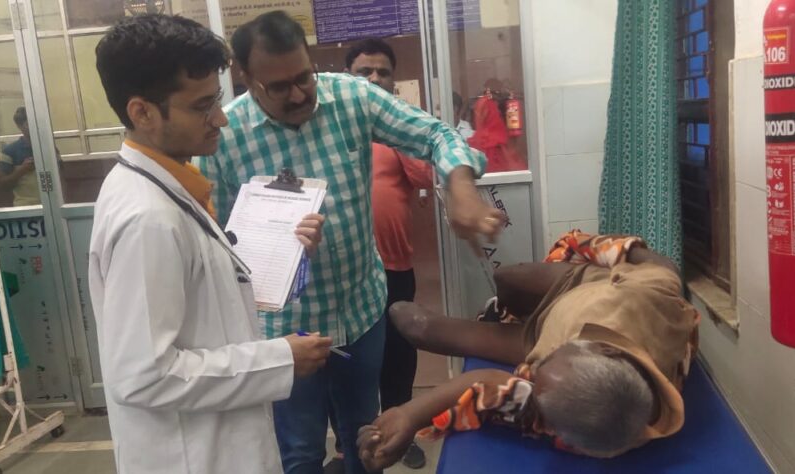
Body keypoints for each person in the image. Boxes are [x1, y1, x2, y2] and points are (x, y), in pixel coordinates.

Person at [196, 11, 504, 474]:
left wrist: (460, 186)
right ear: (248, 79)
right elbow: (213, 241)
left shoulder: (352, 97)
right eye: (279, 87)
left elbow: (436, 134)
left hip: (359, 314)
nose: (298, 94)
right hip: (284, 331)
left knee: (366, 437)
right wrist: (279, 249)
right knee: (299, 451)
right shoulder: (226, 136)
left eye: (304, 77)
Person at [88, 14, 332, 474]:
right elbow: (143, 376)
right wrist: (278, 359)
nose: (220, 118)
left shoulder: (170, 187)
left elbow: (205, 302)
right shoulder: (148, 220)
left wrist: (285, 257)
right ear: (142, 113)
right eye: (202, 107)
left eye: (216, 99)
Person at [356, 232, 700, 470]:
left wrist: (407, 416)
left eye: (535, 376)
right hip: (581, 287)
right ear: (607, 353)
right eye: (555, 359)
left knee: (410, 322)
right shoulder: (653, 301)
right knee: (507, 278)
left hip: (533, 338)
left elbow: (486, 381)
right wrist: (597, 249)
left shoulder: (571, 417)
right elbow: (658, 263)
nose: (531, 372)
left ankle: (507, 318)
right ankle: (507, 305)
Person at [336, 38, 434, 471]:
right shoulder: (335, 129)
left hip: (395, 265)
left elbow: (425, 176)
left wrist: (395, 128)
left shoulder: (400, 127)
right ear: (348, 77)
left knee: (398, 353)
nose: (374, 78)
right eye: (364, 72)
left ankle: (400, 431)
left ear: (393, 80)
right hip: (349, 270)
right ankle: (349, 443)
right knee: (349, 358)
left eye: (383, 72)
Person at [0, 107, 41, 206]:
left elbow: (60, 177)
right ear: (20, 126)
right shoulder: (9, 152)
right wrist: (22, 170)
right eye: (28, 124)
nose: (34, 127)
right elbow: (1, 185)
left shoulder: (49, 147)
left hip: (52, 205)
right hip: (25, 206)